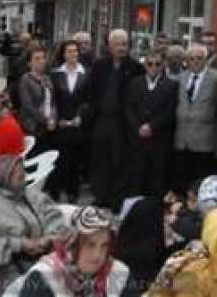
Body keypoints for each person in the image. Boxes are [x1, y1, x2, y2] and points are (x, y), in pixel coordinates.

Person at [14, 207, 158, 297]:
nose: (98, 255)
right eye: (90, 245)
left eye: (104, 246)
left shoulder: (119, 273)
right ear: (72, 243)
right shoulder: (43, 277)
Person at [0, 154, 66, 297]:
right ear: (3, 177)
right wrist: (21, 244)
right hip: (9, 268)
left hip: (45, 258)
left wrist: (49, 238)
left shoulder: (29, 194)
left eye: (22, 171)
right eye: (14, 172)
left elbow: (54, 216)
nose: (21, 175)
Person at [89, 29, 144, 210]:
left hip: (122, 123)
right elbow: (91, 92)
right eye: (118, 44)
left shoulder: (135, 67)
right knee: (100, 159)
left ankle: (117, 199)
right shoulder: (99, 65)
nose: (122, 48)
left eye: (125, 44)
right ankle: (100, 196)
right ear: (110, 46)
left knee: (119, 160)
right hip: (102, 120)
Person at [173, 43, 217, 194]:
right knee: (181, 181)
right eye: (191, 59)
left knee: (201, 183)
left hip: (204, 142)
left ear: (206, 59)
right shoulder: (180, 78)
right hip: (181, 140)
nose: (195, 62)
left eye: (199, 58)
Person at [126, 48, 179, 199]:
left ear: (163, 65)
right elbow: (128, 108)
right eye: (150, 64)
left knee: (157, 178)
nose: (153, 67)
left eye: (157, 64)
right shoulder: (135, 83)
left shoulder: (171, 85)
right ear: (145, 65)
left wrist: (152, 126)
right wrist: (138, 126)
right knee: (136, 177)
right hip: (138, 139)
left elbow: (170, 111)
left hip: (159, 139)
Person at [49, 40, 89, 202]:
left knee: (76, 159)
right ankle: (56, 191)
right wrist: (58, 118)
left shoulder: (85, 74)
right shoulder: (56, 74)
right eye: (69, 51)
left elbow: (87, 99)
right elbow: (52, 99)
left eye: (75, 51)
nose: (73, 54)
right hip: (61, 123)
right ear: (64, 54)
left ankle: (73, 192)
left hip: (78, 124)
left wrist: (81, 116)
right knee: (59, 159)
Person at [17, 44, 57, 151]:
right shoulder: (26, 80)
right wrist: (45, 121)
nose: (41, 61)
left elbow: (53, 102)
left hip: (49, 126)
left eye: (43, 58)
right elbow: (28, 106)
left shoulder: (47, 79)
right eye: (37, 59)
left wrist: (53, 118)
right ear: (29, 63)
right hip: (33, 127)